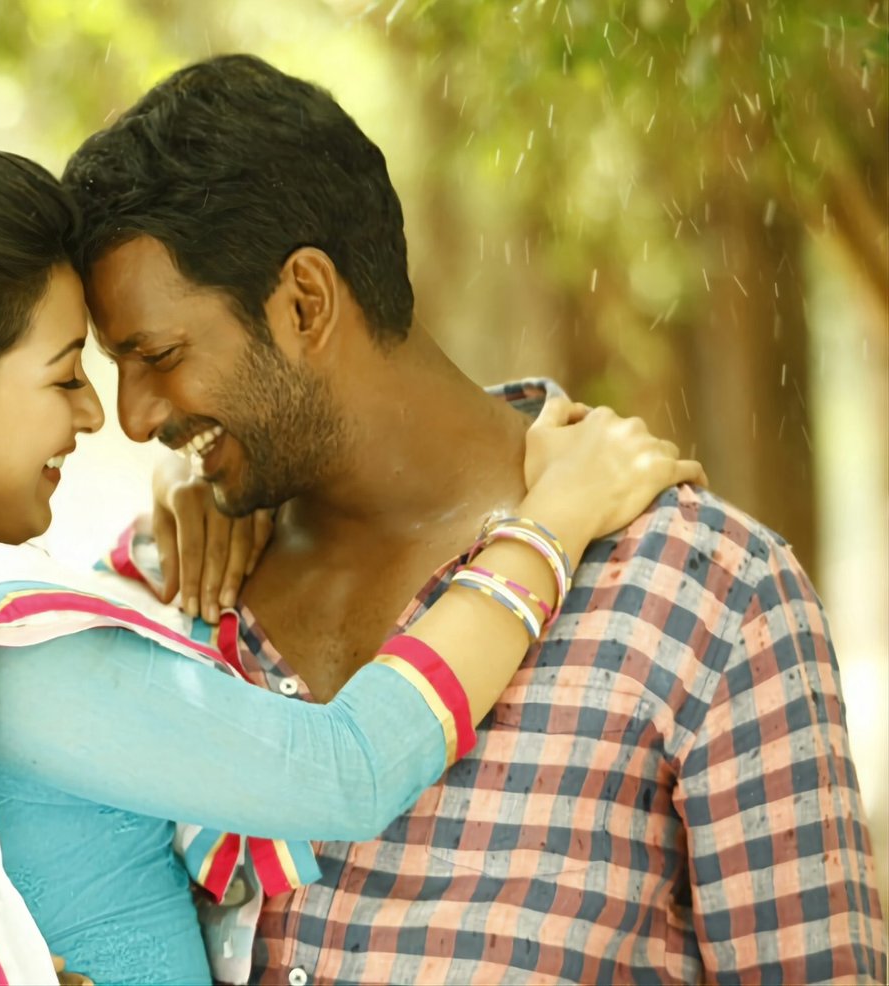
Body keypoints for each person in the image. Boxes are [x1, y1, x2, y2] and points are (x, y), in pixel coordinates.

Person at [0, 140, 698, 985]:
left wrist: (219, 486)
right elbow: (347, 771)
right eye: (62, 376)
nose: (100, 416)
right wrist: (549, 526)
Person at [53, 53, 886, 982]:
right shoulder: (156, 596)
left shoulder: (705, 596)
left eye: (159, 356)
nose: (133, 419)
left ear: (305, 303)